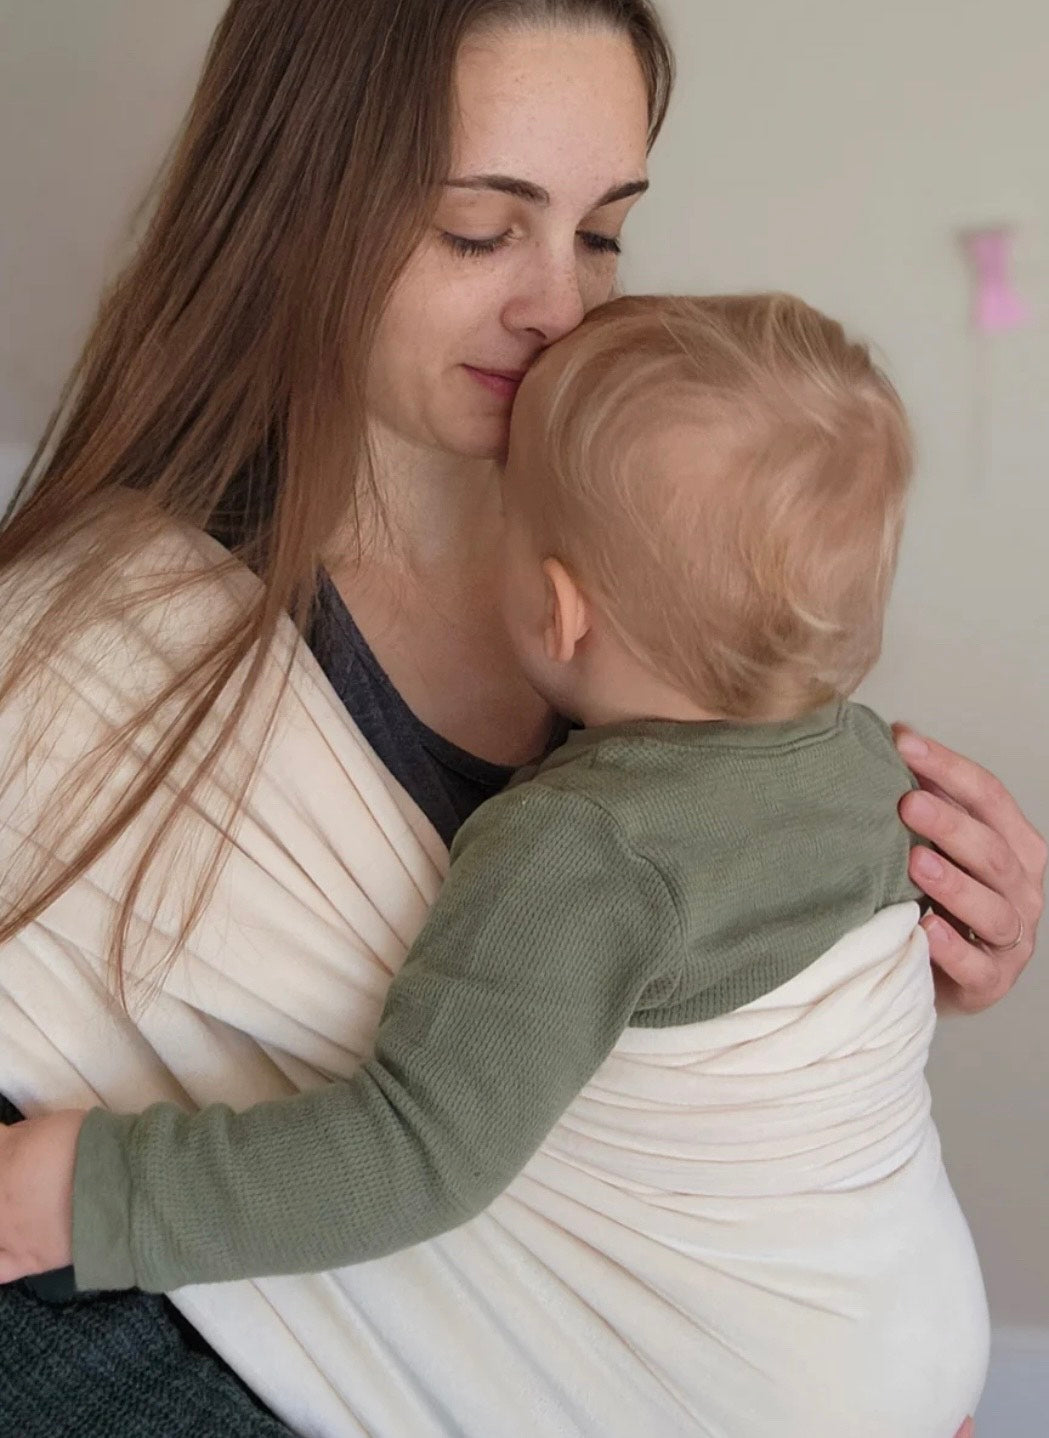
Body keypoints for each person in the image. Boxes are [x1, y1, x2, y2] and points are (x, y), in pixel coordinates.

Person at [0, 2, 1041, 1434]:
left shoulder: (671, 552)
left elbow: (705, 1012)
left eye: (602, 233)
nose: (558, 305)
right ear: (299, 203)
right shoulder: (85, 668)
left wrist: (922, 938)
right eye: (480, 231)